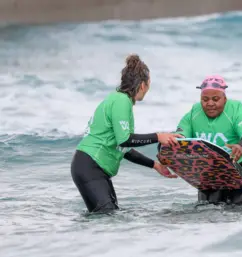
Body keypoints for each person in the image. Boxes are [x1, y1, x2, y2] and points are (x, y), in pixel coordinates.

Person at [71, 54, 181, 214]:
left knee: (110, 217)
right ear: (143, 85)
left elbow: (124, 149)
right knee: (107, 218)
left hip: (92, 167)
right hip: (90, 166)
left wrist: (154, 165)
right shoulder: (121, 101)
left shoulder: (120, 100)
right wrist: (158, 136)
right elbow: (125, 140)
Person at [166, 75, 242, 204]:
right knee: (206, 213)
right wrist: (167, 152)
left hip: (241, 174)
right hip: (211, 175)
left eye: (215, 99)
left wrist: (241, 146)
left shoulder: (235, 109)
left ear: (224, 98)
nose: (210, 103)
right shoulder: (195, 112)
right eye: (205, 99)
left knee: (239, 214)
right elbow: (180, 136)